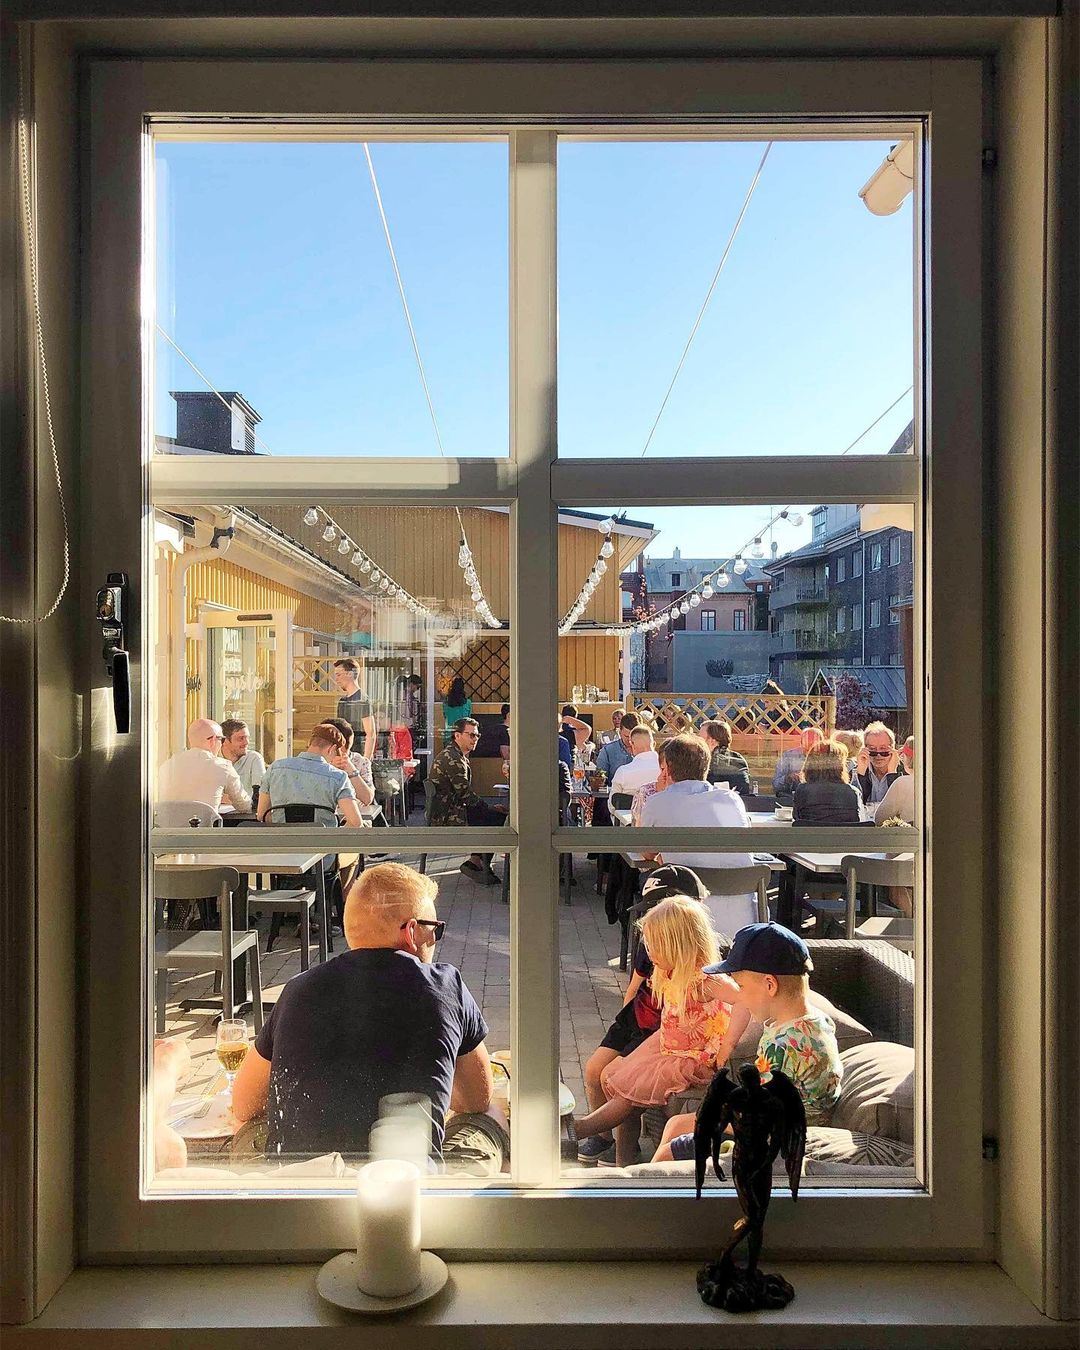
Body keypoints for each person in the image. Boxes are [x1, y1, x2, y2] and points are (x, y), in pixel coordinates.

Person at [232, 864, 507, 1171]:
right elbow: (476, 1099)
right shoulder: (445, 987)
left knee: (247, 1127)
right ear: (411, 931)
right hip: (404, 1193)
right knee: (490, 1116)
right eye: (435, 929)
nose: (435, 939)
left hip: (305, 1192)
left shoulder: (298, 989)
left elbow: (243, 1103)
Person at [573, 894, 751, 1167]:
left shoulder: (705, 979)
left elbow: (744, 1000)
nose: (649, 953)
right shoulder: (668, 971)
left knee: (627, 1095)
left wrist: (728, 1044)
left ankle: (579, 1129)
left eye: (655, 946)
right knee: (619, 1083)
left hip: (691, 1055)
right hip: (666, 1044)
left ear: (678, 945)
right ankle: (623, 1162)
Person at [652, 921, 844, 1164]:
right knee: (676, 1124)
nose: (739, 996)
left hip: (773, 1139)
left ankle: (647, 1193)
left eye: (741, 986)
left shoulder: (782, 1046)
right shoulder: (816, 1021)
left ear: (769, 985)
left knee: (668, 1152)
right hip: (789, 1121)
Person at [577, 865, 708, 1166]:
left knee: (617, 1078)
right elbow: (636, 985)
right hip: (638, 1018)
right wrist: (622, 1027)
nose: (647, 936)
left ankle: (618, 1146)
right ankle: (603, 1136)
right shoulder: (653, 947)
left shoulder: (698, 974)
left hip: (664, 1033)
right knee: (594, 1070)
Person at [637, 735, 754, 874]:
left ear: (667, 768)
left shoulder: (657, 802)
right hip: (740, 890)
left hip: (684, 892)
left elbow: (648, 854)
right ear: (706, 767)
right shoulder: (731, 799)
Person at [428, 717, 506, 885]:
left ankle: (476, 861)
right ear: (457, 735)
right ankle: (478, 863)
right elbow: (465, 794)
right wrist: (490, 808)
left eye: (477, 736)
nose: (475, 739)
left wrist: (488, 808)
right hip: (447, 816)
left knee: (491, 814)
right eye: (471, 735)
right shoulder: (453, 758)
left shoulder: (455, 754)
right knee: (498, 818)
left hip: (449, 810)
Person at [256, 722, 364, 829]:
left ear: (310, 743)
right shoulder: (338, 777)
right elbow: (355, 823)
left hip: (282, 842)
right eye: (335, 754)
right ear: (331, 749)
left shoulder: (275, 768)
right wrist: (333, 834)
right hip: (321, 843)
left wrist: (284, 826)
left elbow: (262, 814)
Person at [158, 717, 250, 814]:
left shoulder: (167, 766)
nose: (222, 744)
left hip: (167, 828)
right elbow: (244, 805)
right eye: (221, 740)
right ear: (213, 740)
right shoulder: (223, 766)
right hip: (204, 828)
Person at [793, 739, 867, 824]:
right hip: (843, 837)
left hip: (812, 837)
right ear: (841, 766)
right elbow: (859, 822)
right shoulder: (853, 792)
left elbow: (796, 819)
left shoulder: (802, 791)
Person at [324, 717, 376, 809]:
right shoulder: (316, 761)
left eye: (348, 747)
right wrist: (329, 769)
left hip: (357, 814)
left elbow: (368, 799)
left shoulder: (361, 762)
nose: (344, 754)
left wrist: (352, 771)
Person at [855, 720, 907, 807]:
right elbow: (855, 804)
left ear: (893, 748)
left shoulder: (906, 771)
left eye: (883, 749)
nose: (878, 755)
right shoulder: (856, 770)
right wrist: (861, 774)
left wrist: (892, 773)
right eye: (872, 750)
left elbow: (901, 805)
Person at [332, 658, 375, 760]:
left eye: (339, 675)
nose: (336, 679)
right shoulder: (343, 701)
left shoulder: (362, 700)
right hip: (344, 754)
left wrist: (366, 760)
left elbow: (370, 733)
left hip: (357, 754)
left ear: (350, 674)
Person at [219, 718, 267, 804]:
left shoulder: (254, 759)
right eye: (241, 738)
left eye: (247, 738)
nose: (246, 742)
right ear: (225, 741)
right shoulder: (213, 760)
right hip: (217, 814)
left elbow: (261, 795)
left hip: (245, 814)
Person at [701, 719, 751, 795]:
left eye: (700, 739)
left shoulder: (705, 762)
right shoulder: (738, 759)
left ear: (712, 741)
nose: (697, 742)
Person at [609, 725, 661, 798]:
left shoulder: (623, 772)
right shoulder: (666, 771)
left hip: (628, 809)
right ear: (654, 744)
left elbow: (612, 803)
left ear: (632, 745)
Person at [874, 737, 916, 824]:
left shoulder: (903, 783)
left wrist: (892, 771)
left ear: (907, 758)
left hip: (911, 836)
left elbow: (880, 819)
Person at [773, 726, 824, 796]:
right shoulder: (789, 756)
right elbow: (776, 785)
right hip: (794, 798)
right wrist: (788, 778)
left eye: (813, 747)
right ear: (801, 743)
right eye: (806, 747)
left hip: (819, 797)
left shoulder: (826, 758)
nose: (809, 752)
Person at [595, 710, 639, 781]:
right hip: (615, 790)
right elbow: (600, 778)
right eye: (626, 736)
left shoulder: (644, 750)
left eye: (633, 736)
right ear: (620, 732)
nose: (630, 740)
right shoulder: (608, 751)